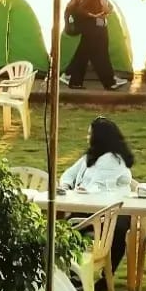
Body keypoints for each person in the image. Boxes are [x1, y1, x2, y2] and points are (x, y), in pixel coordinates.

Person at [59, 115, 136, 273]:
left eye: (90, 134)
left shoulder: (113, 160)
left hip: (114, 211)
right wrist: (65, 186)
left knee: (115, 232)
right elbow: (69, 174)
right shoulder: (90, 156)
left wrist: (85, 190)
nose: (87, 138)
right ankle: (70, 271)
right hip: (89, 208)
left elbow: (100, 185)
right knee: (63, 229)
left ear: (100, 138)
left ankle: (100, 276)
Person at [62, 0, 128, 91]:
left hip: (99, 25)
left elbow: (103, 4)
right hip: (93, 26)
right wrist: (93, 15)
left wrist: (107, 10)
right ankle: (109, 82)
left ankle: (73, 78)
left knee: (85, 54)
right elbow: (83, 8)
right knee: (98, 56)